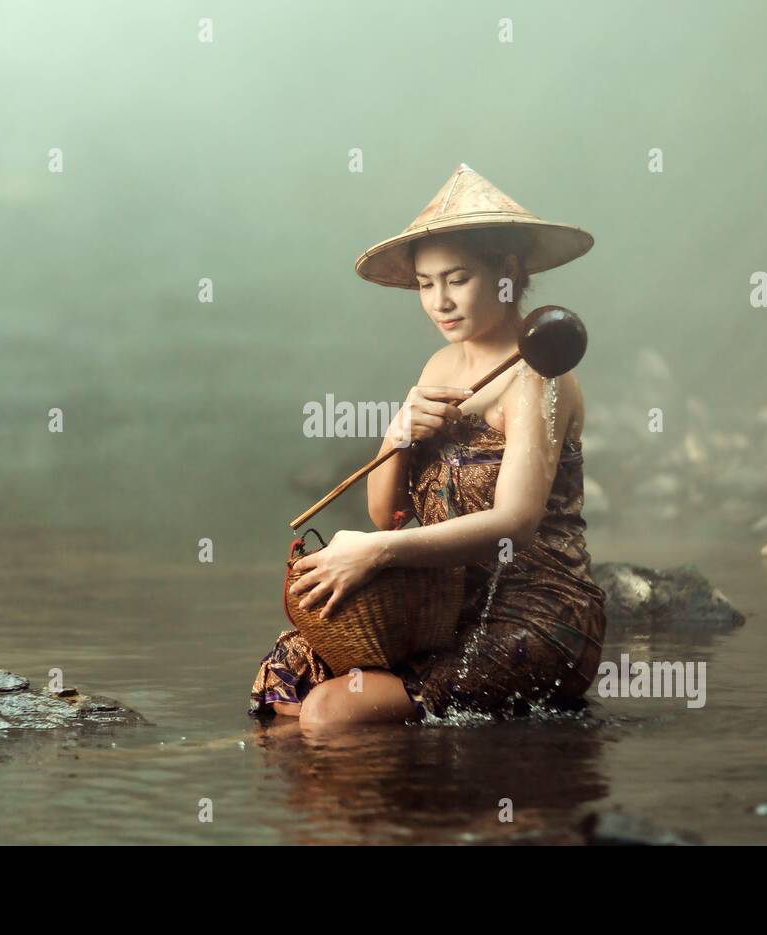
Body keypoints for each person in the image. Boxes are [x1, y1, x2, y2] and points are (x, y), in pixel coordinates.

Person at [248, 163, 607, 728]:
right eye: (425, 284)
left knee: (331, 713)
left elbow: (515, 523)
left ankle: (417, 810)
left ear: (507, 271)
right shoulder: (441, 364)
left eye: (457, 278)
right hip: (444, 603)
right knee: (286, 678)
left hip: (532, 612)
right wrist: (397, 434)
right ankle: (382, 808)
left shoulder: (540, 376)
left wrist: (373, 553)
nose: (440, 301)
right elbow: (385, 513)